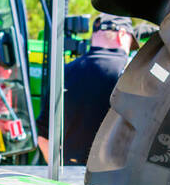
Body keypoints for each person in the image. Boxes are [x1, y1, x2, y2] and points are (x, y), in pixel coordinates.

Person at [37, 14, 136, 165]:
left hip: (69, 176)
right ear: (122, 35)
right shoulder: (131, 72)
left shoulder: (64, 72)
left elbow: (43, 134)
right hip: (112, 178)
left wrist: (61, 168)